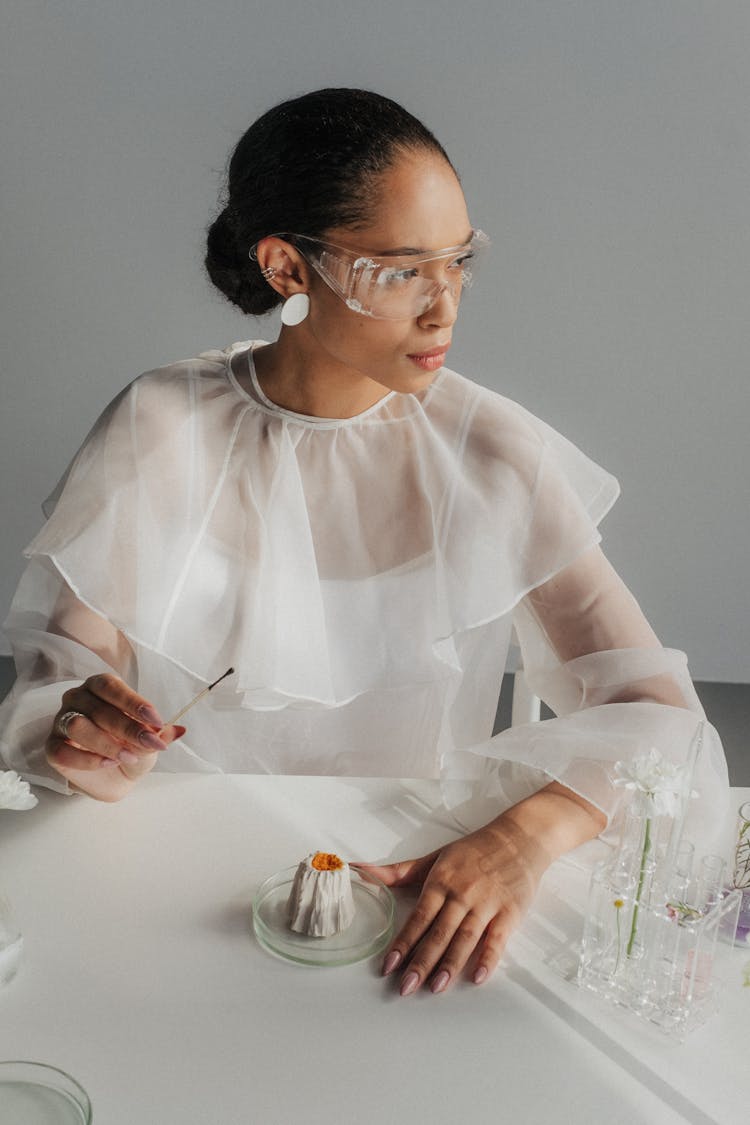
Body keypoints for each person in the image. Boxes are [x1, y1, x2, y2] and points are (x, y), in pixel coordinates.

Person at [0, 88, 728, 998]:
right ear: (287, 268)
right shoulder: (161, 426)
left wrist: (519, 837)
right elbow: (66, 674)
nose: (444, 307)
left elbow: (660, 715)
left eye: (459, 262)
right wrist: (85, 731)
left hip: (409, 887)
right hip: (170, 879)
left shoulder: (491, 452)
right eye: (402, 270)